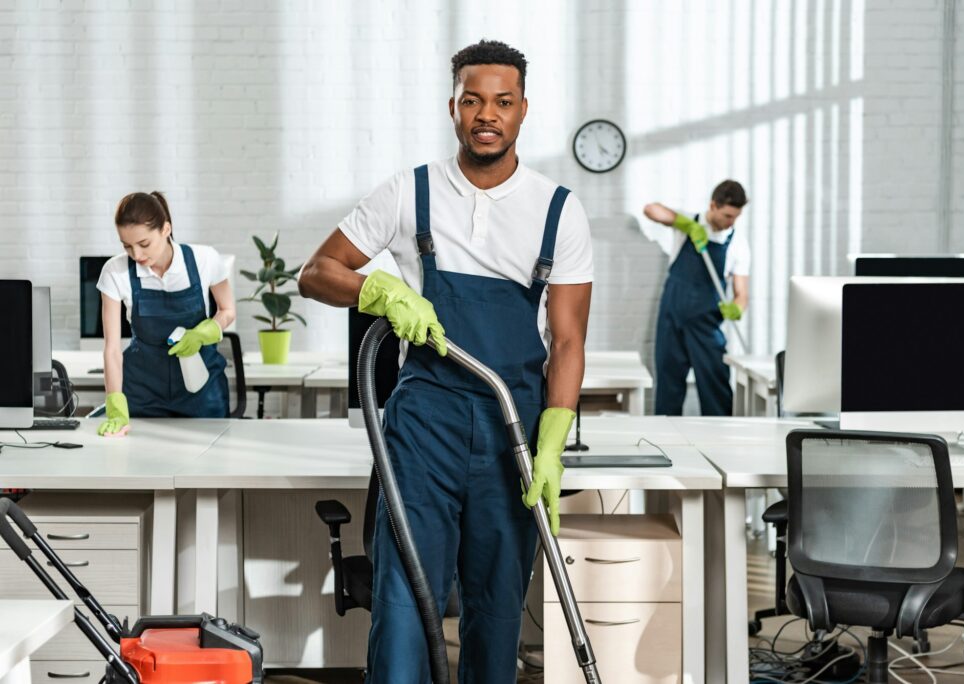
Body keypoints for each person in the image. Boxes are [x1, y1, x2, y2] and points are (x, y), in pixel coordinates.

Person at [298, 39, 593, 684]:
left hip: (511, 424)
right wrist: (380, 290)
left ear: (522, 111)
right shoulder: (411, 193)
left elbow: (568, 341)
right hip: (423, 423)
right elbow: (314, 273)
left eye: (502, 102)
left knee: (496, 605)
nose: (487, 113)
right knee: (405, 599)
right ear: (453, 108)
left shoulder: (558, 210)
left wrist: (553, 442)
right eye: (472, 100)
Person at [95, 191, 236, 435]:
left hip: (201, 391)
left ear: (166, 229)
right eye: (127, 246)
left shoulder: (204, 259)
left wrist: (204, 333)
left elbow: (227, 311)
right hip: (142, 392)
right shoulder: (114, 272)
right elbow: (112, 349)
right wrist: (116, 406)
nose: (136, 255)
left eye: (144, 244)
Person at [645, 180, 750, 416]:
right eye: (727, 215)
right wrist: (686, 226)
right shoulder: (689, 223)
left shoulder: (737, 244)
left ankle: (720, 445)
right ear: (713, 205)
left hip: (706, 324)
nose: (731, 222)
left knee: (716, 391)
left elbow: (742, 294)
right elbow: (651, 209)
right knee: (668, 388)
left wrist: (737, 308)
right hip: (671, 320)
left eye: (736, 217)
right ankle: (665, 443)